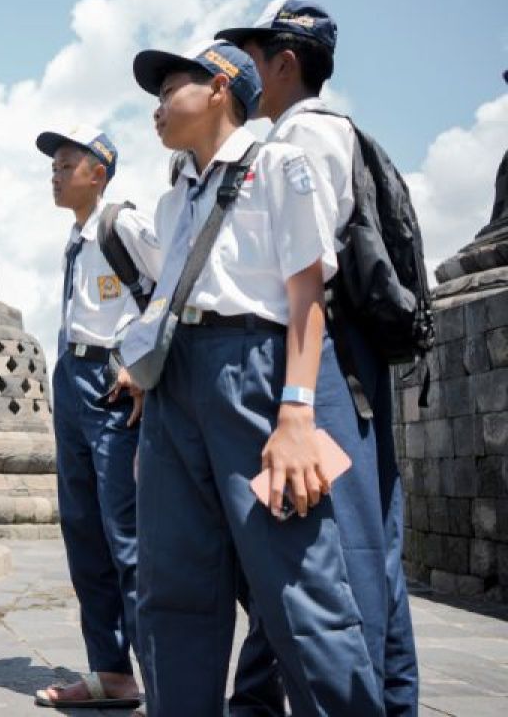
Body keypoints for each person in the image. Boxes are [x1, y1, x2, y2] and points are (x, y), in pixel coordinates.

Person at [122, 39, 383, 715]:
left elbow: (306, 298)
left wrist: (297, 413)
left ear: (219, 88)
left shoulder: (279, 164)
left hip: (254, 374)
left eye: (170, 88)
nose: (157, 107)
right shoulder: (173, 199)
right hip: (176, 384)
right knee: (171, 589)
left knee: (298, 585)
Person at [216, 0, 418, 716]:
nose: (244, 70)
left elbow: (303, 271)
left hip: (325, 354)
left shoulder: (296, 144)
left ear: (285, 63)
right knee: (368, 552)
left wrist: (293, 400)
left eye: (253, 54)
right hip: (353, 355)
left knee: (331, 555)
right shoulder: (342, 133)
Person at [32, 127, 162, 709]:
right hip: (72, 377)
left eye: (65, 164)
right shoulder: (76, 238)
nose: (54, 174)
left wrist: (139, 360)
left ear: (98, 173)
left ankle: (163, 676)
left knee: (125, 536)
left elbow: (175, 282)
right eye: (54, 166)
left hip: (113, 382)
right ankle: (111, 673)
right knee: (83, 532)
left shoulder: (122, 225)